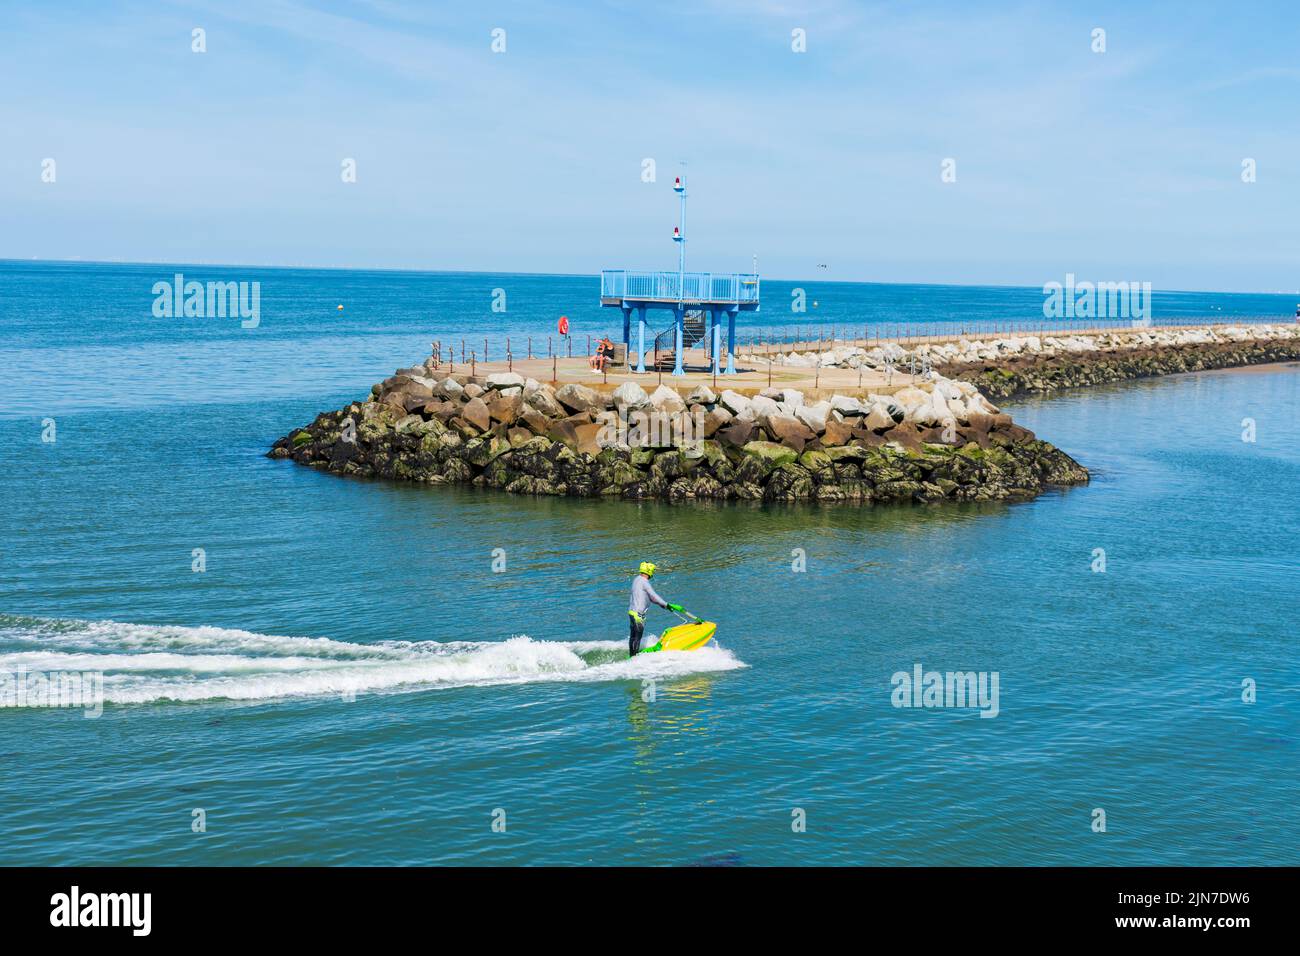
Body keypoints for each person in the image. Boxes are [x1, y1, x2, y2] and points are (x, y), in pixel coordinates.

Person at [628, 561, 683, 657]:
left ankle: (631, 655)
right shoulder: (644, 582)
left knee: (633, 636)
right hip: (638, 615)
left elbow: (648, 597)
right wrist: (667, 605)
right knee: (637, 637)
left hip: (632, 613)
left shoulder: (636, 580)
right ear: (649, 571)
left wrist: (663, 606)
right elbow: (653, 596)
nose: (653, 573)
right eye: (652, 571)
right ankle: (634, 659)